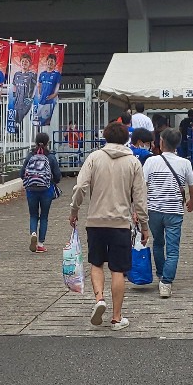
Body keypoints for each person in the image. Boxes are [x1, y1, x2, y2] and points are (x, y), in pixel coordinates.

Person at [69, 119, 148, 330]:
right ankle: (116, 317)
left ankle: (99, 300)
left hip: (95, 221)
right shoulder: (133, 163)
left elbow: (80, 187)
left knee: (96, 263)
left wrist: (74, 210)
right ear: (126, 138)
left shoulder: (94, 158)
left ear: (105, 137)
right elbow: (140, 199)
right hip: (121, 223)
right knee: (118, 270)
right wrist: (144, 226)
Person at [143, 126, 193, 297]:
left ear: (161, 142)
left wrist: (138, 207)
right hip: (174, 211)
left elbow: (142, 186)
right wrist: (191, 201)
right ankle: (166, 283)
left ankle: (161, 274)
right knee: (173, 249)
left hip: (154, 210)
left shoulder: (151, 161)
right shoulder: (185, 163)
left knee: (158, 243)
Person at [20, 131, 61, 251]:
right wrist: (52, 181)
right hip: (46, 190)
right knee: (44, 216)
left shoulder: (30, 156)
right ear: (48, 143)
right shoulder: (51, 157)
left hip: (31, 190)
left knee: (33, 215)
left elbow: (22, 174)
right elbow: (58, 176)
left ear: (36, 142)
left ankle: (33, 233)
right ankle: (41, 244)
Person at [33, 51, 62, 127]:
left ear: (55, 63)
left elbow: (57, 88)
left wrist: (52, 96)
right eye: (49, 61)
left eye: (52, 61)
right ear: (46, 62)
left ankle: (46, 134)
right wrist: (40, 94)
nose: (50, 63)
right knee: (37, 121)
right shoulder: (42, 74)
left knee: (46, 122)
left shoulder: (57, 74)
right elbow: (39, 86)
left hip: (49, 102)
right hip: (41, 101)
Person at [10, 51, 37, 128]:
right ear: (20, 63)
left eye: (26, 61)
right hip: (17, 102)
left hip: (26, 102)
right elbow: (14, 85)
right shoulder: (17, 74)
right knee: (16, 122)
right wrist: (14, 96)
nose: (24, 63)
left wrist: (31, 98)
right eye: (23, 61)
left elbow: (36, 87)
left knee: (25, 123)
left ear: (29, 63)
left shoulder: (32, 75)